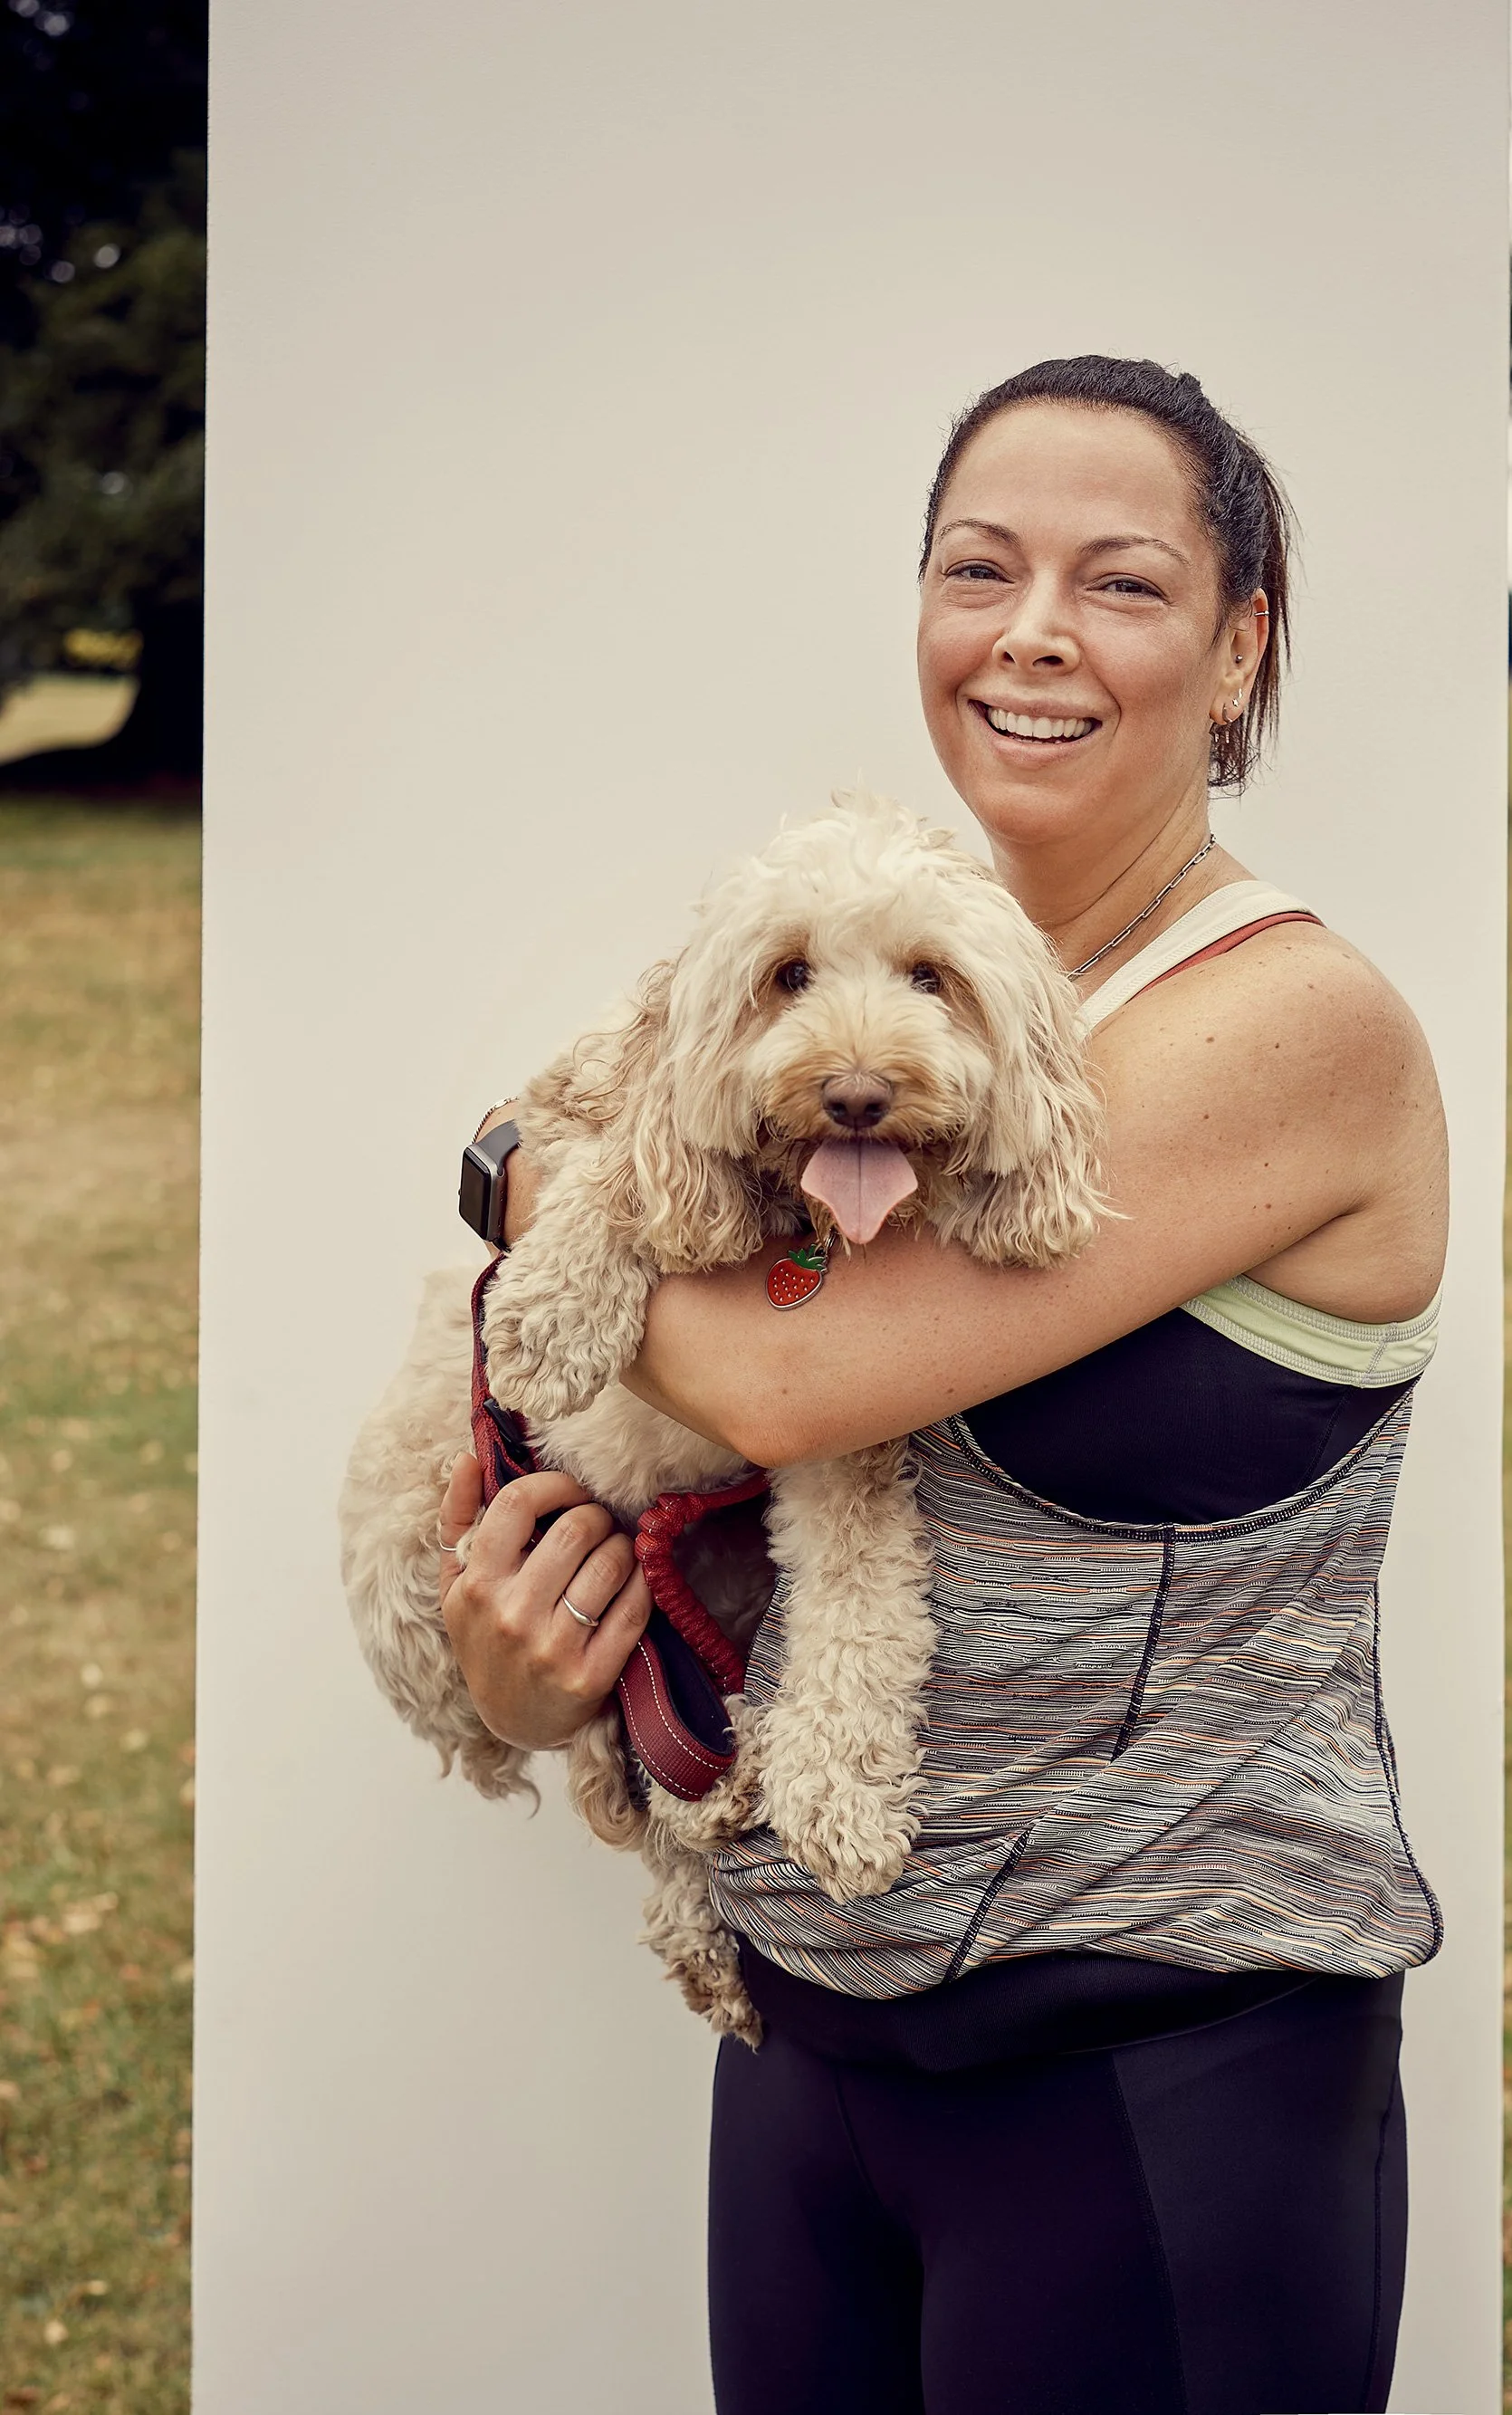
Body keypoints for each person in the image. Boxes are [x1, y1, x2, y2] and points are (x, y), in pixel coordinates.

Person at [435, 356, 1449, 2415]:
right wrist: (539, 1676)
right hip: (814, 2054)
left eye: (1124, 582)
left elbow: (792, 1381)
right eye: (976, 569)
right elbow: (694, 1458)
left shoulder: (1290, 1021)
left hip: (1164, 2081)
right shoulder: (892, 1001)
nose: (1033, 633)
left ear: (1240, 642)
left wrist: (519, 1169)